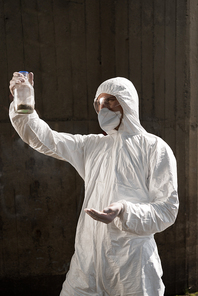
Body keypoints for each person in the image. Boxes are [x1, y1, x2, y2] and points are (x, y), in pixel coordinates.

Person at [9, 73, 179, 296]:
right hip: (87, 262)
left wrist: (124, 211)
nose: (103, 107)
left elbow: (167, 210)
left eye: (110, 100)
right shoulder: (92, 146)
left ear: (127, 101)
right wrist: (23, 99)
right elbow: (44, 138)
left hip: (132, 267)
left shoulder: (154, 148)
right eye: (98, 103)